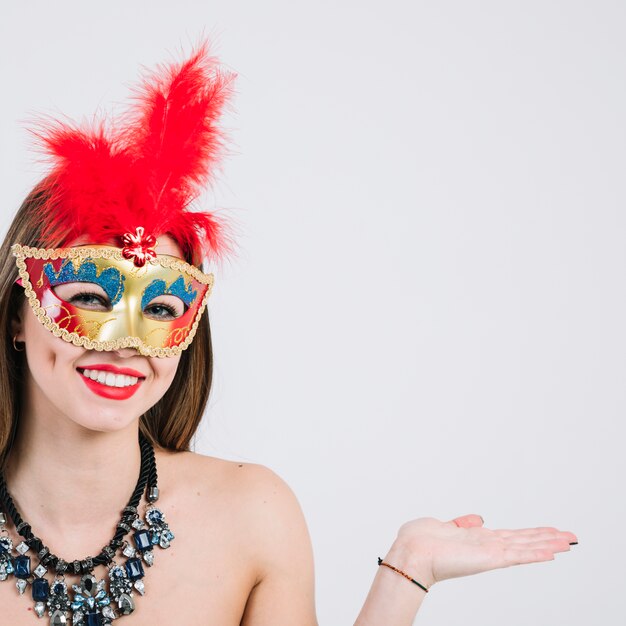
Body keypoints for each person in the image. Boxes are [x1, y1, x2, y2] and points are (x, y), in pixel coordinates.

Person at [0, 45, 576, 626]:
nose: (126, 341)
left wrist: (407, 572)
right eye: (92, 298)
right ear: (18, 316)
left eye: (161, 307)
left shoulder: (252, 514)